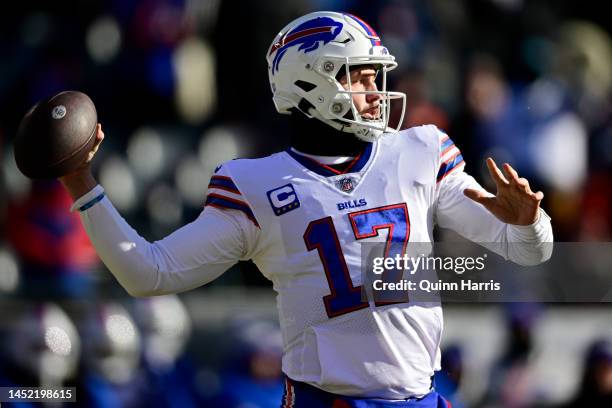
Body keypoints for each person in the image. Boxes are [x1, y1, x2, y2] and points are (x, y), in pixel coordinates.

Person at [58, 11, 553, 408]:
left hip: (419, 398)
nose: (376, 92)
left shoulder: (421, 152)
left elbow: (531, 252)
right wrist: (80, 181)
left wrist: (528, 222)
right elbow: (150, 273)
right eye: (360, 79)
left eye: (375, 78)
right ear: (313, 83)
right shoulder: (256, 184)